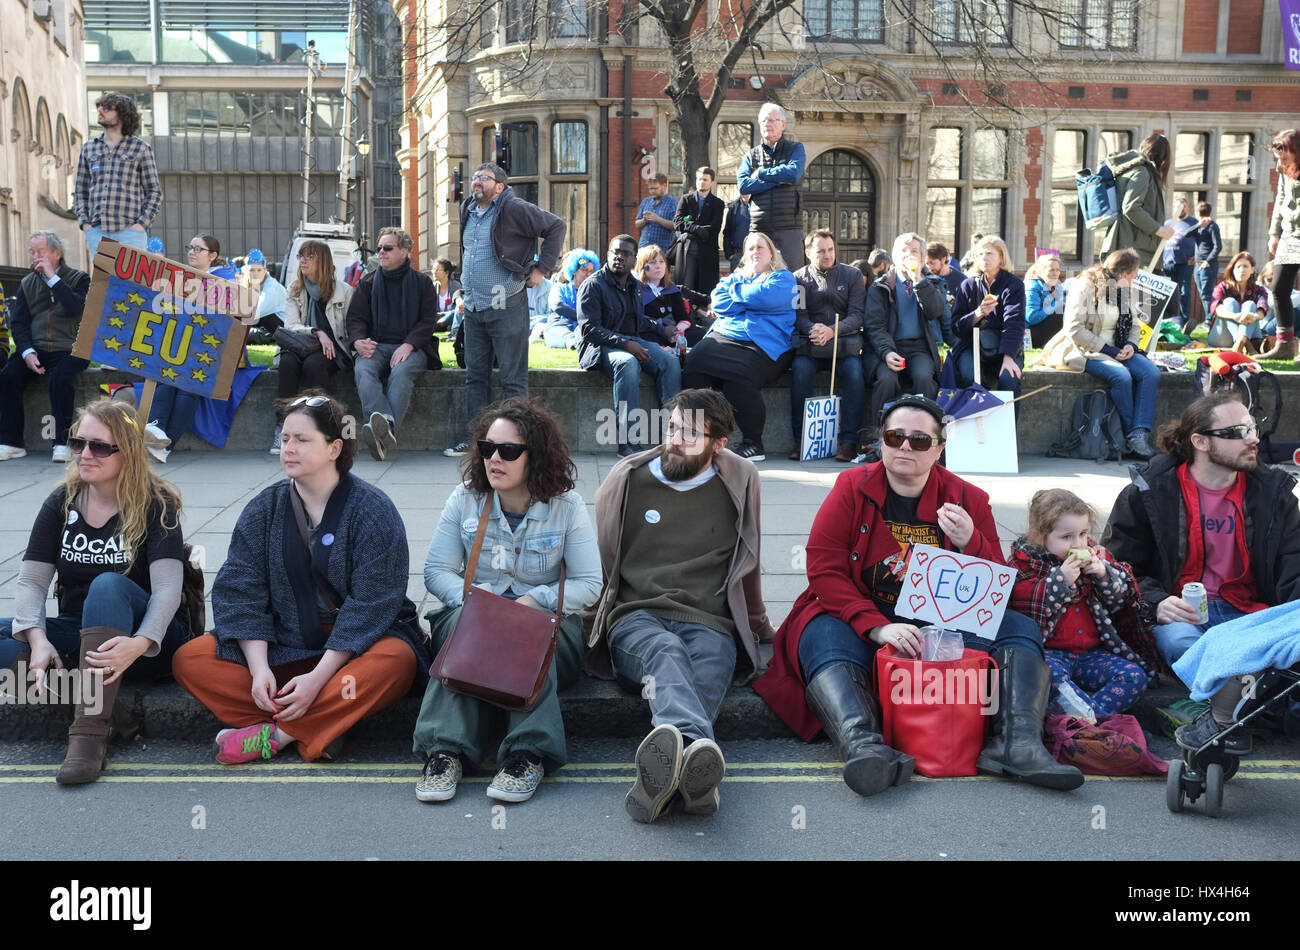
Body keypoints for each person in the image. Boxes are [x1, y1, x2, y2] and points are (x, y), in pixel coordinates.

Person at [754, 394, 1083, 794]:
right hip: (863, 606)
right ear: (882, 442)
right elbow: (824, 567)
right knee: (822, 634)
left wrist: (971, 542)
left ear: (939, 449)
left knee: (1017, 628)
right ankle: (864, 748)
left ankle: (1018, 745)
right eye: (895, 437)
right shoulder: (851, 486)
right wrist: (875, 627)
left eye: (920, 440)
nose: (905, 446)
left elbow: (996, 583)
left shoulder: (967, 497)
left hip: (942, 615)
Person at [173, 392, 428, 765]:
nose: (288, 448)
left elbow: (373, 604)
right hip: (285, 642)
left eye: (302, 440)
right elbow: (240, 590)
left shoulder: (374, 511)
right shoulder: (264, 508)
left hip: (356, 650)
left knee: (397, 661)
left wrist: (318, 679)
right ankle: (328, 723)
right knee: (190, 660)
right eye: (285, 438)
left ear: (334, 448)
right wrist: (259, 670)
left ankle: (279, 734)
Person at [588, 389, 775, 822]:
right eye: (671, 427)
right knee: (666, 653)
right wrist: (591, 624)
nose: (674, 438)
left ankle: (671, 780)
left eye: (690, 433)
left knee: (708, 667)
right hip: (636, 616)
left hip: (710, 621)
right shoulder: (628, 478)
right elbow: (601, 561)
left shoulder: (741, 478)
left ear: (718, 444)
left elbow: (749, 558)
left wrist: (760, 625)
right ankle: (694, 759)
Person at [414, 399, 601, 804]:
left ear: (536, 456)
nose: (494, 459)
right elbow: (436, 572)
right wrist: (478, 603)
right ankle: (444, 753)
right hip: (474, 616)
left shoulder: (566, 507)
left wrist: (538, 600)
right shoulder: (464, 499)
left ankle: (527, 753)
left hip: (546, 624)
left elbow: (590, 583)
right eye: (487, 448)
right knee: (466, 629)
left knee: (525, 636)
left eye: (508, 451)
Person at [0, 399, 190, 784]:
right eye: (78, 443)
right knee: (11, 636)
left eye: (100, 446)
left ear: (129, 452)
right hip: (84, 635)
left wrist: (139, 643)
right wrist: (37, 640)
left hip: (149, 642)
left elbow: (169, 589)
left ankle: (88, 739)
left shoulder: (158, 504)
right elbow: (31, 582)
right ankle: (109, 714)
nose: (85, 454)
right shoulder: (62, 501)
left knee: (107, 585)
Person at [1103, 392, 1300, 751]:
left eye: (1253, 427)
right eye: (1238, 431)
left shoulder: (1274, 494)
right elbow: (1119, 564)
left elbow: (1293, 565)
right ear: (1200, 441)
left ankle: (1224, 706)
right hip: (1181, 614)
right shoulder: (1149, 491)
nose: (1253, 438)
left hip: (1249, 612)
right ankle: (1240, 706)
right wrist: (1156, 602)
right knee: (1181, 642)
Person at [447, 163, 566, 455]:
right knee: (475, 376)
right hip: (475, 306)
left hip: (507, 302)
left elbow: (556, 226)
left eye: (484, 179)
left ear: (499, 186)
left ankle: (518, 443)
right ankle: (477, 443)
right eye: (475, 177)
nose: (477, 182)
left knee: (512, 379)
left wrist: (542, 269)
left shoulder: (513, 207)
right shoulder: (468, 209)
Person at [1010, 489, 1156, 717]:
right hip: (1051, 653)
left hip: (1092, 653)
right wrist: (1060, 581)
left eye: (1082, 533)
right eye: (1066, 537)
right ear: (1040, 536)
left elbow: (1121, 601)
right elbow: (1022, 603)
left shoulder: (1097, 555)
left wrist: (1104, 575)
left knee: (1134, 675)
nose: (1077, 543)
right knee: (1046, 679)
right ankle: (1081, 715)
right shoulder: (1026, 563)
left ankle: (1088, 716)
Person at [1036, 248, 1160, 459]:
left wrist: (1131, 344)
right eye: (1135, 273)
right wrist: (1109, 350)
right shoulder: (1085, 286)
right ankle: (1131, 433)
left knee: (1151, 373)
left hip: (1120, 348)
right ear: (1123, 274)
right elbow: (1074, 329)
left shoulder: (1125, 289)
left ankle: (1139, 433)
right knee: (1121, 376)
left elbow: (1135, 325)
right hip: (1086, 349)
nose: (1137, 277)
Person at [683, 231, 797, 461]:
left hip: (766, 343)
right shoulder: (739, 276)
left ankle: (753, 443)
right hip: (727, 335)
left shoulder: (783, 278)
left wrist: (737, 295)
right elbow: (718, 300)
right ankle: (701, 435)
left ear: (772, 253)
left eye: (760, 247)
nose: (755, 252)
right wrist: (748, 299)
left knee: (738, 376)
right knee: (695, 363)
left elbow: (767, 298)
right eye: (751, 248)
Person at [576, 236, 681, 457]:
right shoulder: (593, 286)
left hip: (631, 341)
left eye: (625, 254)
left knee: (670, 362)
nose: (619, 257)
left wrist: (662, 328)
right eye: (615, 252)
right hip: (599, 348)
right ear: (608, 255)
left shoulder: (634, 285)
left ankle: (672, 435)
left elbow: (637, 319)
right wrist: (626, 344)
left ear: (634, 260)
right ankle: (628, 441)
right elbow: (589, 330)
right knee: (628, 363)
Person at [345, 226, 440, 462]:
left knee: (402, 370)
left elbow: (428, 320)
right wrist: (358, 342)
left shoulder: (422, 283)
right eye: (379, 248)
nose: (381, 252)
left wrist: (409, 344)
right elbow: (355, 318)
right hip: (376, 346)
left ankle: (381, 432)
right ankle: (385, 428)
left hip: (412, 348)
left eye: (388, 248)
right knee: (363, 368)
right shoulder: (368, 283)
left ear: (404, 252)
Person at [144, 234, 238, 462]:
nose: (192, 252)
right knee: (166, 378)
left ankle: (165, 444)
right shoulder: (180, 276)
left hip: (207, 348)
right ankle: (155, 430)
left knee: (188, 388)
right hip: (178, 343)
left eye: (199, 249)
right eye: (191, 247)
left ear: (213, 255)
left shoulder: (226, 279)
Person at [0, 232, 90, 463]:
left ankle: (62, 443)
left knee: (60, 378)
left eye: (40, 252)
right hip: (38, 348)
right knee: (9, 375)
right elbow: (19, 324)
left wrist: (53, 279)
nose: (35, 257)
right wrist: (27, 352)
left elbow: (75, 308)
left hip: (72, 347)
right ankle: (12, 443)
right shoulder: (27, 283)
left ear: (56, 254)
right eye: (32, 252)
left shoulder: (80, 279)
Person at [790, 230, 866, 462]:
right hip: (811, 345)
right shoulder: (797, 279)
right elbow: (798, 315)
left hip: (843, 345)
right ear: (808, 252)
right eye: (821, 251)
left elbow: (857, 315)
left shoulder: (852, 275)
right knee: (800, 371)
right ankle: (801, 440)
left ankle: (849, 442)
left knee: (855, 373)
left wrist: (833, 331)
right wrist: (813, 329)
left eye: (830, 250)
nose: (827, 255)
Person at [864, 232, 949, 442]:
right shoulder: (881, 286)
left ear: (922, 258)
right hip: (891, 347)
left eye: (914, 251)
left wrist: (920, 281)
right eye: (903, 251)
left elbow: (935, 311)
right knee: (886, 380)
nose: (908, 255)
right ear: (894, 256)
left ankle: (927, 436)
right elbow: (875, 326)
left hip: (920, 348)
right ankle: (878, 436)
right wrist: (886, 352)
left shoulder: (933, 283)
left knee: (924, 378)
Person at [273, 241, 355, 453]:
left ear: (323, 261)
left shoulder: (344, 291)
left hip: (330, 351)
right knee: (288, 364)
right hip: (299, 345)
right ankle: (283, 429)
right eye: (301, 256)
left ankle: (318, 428)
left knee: (313, 366)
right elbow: (291, 325)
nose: (302, 260)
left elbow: (349, 329)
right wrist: (317, 332)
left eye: (309, 256)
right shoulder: (295, 289)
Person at [75, 92, 161, 259]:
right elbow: (80, 190)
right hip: (97, 231)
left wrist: (141, 224)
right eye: (99, 107)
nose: (100, 110)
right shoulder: (88, 148)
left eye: (107, 108)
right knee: (105, 284)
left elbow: (154, 191)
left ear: (122, 114)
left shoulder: (140, 148)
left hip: (130, 231)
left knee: (132, 284)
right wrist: (85, 224)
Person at [948, 235, 1026, 403]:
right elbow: (956, 327)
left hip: (1004, 345)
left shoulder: (1013, 285)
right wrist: (978, 314)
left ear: (1001, 257)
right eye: (980, 254)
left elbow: (1014, 322)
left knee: (1009, 379)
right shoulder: (967, 285)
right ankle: (975, 426)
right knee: (970, 377)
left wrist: (1008, 357)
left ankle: (1007, 429)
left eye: (989, 253)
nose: (984, 258)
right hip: (972, 345)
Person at [736, 103, 807, 270]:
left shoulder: (796, 149)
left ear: (783, 124)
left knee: (792, 280)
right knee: (757, 277)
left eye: (773, 120)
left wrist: (761, 173)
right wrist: (777, 180)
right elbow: (744, 186)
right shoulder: (750, 155)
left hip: (789, 228)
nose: (768, 124)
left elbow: (793, 174)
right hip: (759, 229)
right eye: (764, 120)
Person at [1259, 129, 1300, 360]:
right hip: (1290, 235)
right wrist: (1274, 233)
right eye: (1278, 158)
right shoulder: (1283, 169)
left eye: (1284, 157)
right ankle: (1285, 346)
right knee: (1279, 287)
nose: (1281, 162)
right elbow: (1281, 199)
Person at [1101, 133, 1174, 264]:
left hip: (1127, 251)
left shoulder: (1134, 170)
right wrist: (1159, 229)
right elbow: (1131, 208)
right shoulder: (1142, 172)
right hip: (1132, 254)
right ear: (1163, 157)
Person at [672, 166, 724, 298]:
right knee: (685, 287)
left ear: (712, 182)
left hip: (707, 252)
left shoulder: (718, 203)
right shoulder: (686, 199)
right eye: (700, 179)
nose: (702, 182)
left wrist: (690, 226)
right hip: (687, 250)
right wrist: (695, 228)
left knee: (706, 288)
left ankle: (703, 316)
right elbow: (677, 222)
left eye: (705, 180)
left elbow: (714, 228)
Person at [1210, 251, 1270, 355]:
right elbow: (1217, 309)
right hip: (1222, 337)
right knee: (1229, 302)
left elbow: (1263, 309)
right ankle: (1248, 345)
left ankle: (1239, 344)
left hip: (1252, 333)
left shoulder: (1259, 290)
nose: (1242, 270)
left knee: (1250, 305)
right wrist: (1235, 316)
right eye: (1238, 267)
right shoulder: (1222, 287)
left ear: (1252, 269)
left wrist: (1253, 316)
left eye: (1245, 266)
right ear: (1232, 270)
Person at [1162, 197, 1199, 324]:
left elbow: (1202, 242)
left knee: (1185, 293)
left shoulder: (1194, 223)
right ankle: (1169, 320)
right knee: (1169, 294)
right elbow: (1160, 242)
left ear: (1187, 208)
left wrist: (1197, 256)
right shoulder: (1167, 223)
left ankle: (1184, 321)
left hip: (1186, 263)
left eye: (1183, 206)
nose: (1181, 209)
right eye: (1178, 206)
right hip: (1168, 264)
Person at [240, 248, 287, 341]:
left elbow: (254, 314)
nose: (255, 274)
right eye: (252, 270)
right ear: (246, 271)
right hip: (263, 323)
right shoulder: (250, 284)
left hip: (282, 328)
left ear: (265, 271)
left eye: (259, 270)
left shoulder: (272, 287)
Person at [1024, 252, 1067, 348]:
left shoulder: (1058, 286)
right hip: (1030, 334)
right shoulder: (1032, 286)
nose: (1055, 273)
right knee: (1062, 312)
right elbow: (1032, 317)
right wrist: (1056, 305)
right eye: (1051, 270)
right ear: (1040, 271)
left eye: (1057, 270)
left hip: (1046, 328)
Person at [1192, 201, 1222, 331]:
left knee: (1207, 294)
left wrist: (1208, 261)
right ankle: (1209, 319)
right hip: (1197, 265)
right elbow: (1186, 234)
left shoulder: (1212, 226)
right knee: (1202, 293)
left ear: (1199, 213)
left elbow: (1218, 246)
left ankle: (1209, 320)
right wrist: (1198, 225)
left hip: (1207, 266)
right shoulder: (1198, 227)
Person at [635, 172, 678, 251]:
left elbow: (676, 225)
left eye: (655, 188)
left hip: (663, 249)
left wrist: (657, 219)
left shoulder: (673, 203)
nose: (652, 191)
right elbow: (637, 224)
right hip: (644, 247)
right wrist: (644, 220)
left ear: (664, 186)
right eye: (650, 189)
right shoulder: (646, 201)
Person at [431, 258, 463, 337]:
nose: (434, 272)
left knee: (455, 311)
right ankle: (439, 325)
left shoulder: (455, 285)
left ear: (447, 272)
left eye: (438, 270)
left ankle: (442, 326)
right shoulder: (432, 286)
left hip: (452, 317)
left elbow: (459, 309)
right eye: (434, 269)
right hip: (437, 317)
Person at [722, 194, 750, 274]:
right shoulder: (733, 208)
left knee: (755, 284)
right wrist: (730, 254)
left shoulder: (760, 206)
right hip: (738, 256)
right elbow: (727, 232)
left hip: (756, 255)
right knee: (738, 283)